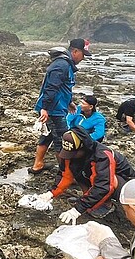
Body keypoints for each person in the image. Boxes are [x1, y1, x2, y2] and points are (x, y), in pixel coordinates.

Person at [36, 126, 135, 224]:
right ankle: (88, 200)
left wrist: (77, 209)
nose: (70, 157)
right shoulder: (71, 154)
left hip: (126, 184)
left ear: (83, 148)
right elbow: (65, 175)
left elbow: (104, 186)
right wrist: (51, 193)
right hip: (99, 179)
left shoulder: (102, 156)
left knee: (109, 180)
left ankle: (106, 205)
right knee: (77, 170)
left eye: (74, 153)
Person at [29, 38, 91, 174]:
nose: (83, 58)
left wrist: (69, 102)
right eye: (83, 55)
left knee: (48, 135)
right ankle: (66, 173)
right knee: (62, 141)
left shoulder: (66, 65)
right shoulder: (61, 65)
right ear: (75, 51)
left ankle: (37, 165)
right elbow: (51, 88)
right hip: (53, 110)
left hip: (56, 107)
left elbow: (62, 87)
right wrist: (44, 108)